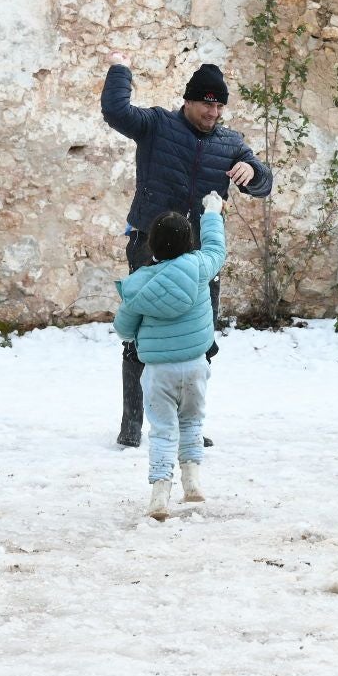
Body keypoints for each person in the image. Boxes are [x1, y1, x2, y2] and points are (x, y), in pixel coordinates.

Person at [101, 52, 273, 448]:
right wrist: (119, 68)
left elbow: (264, 183)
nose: (213, 111)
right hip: (149, 246)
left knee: (200, 340)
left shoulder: (231, 144)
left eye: (219, 104)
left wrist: (254, 173)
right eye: (206, 103)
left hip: (200, 257)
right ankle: (132, 424)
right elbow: (116, 111)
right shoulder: (157, 125)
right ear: (188, 101)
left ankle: (187, 424)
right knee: (141, 337)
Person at [114, 193, 227, 520]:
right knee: (192, 422)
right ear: (189, 242)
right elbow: (216, 250)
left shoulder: (138, 286)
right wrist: (212, 213)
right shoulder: (198, 267)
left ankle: (159, 497)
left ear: (152, 245)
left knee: (163, 431)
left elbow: (123, 329)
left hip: (158, 372)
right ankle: (192, 483)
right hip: (195, 366)